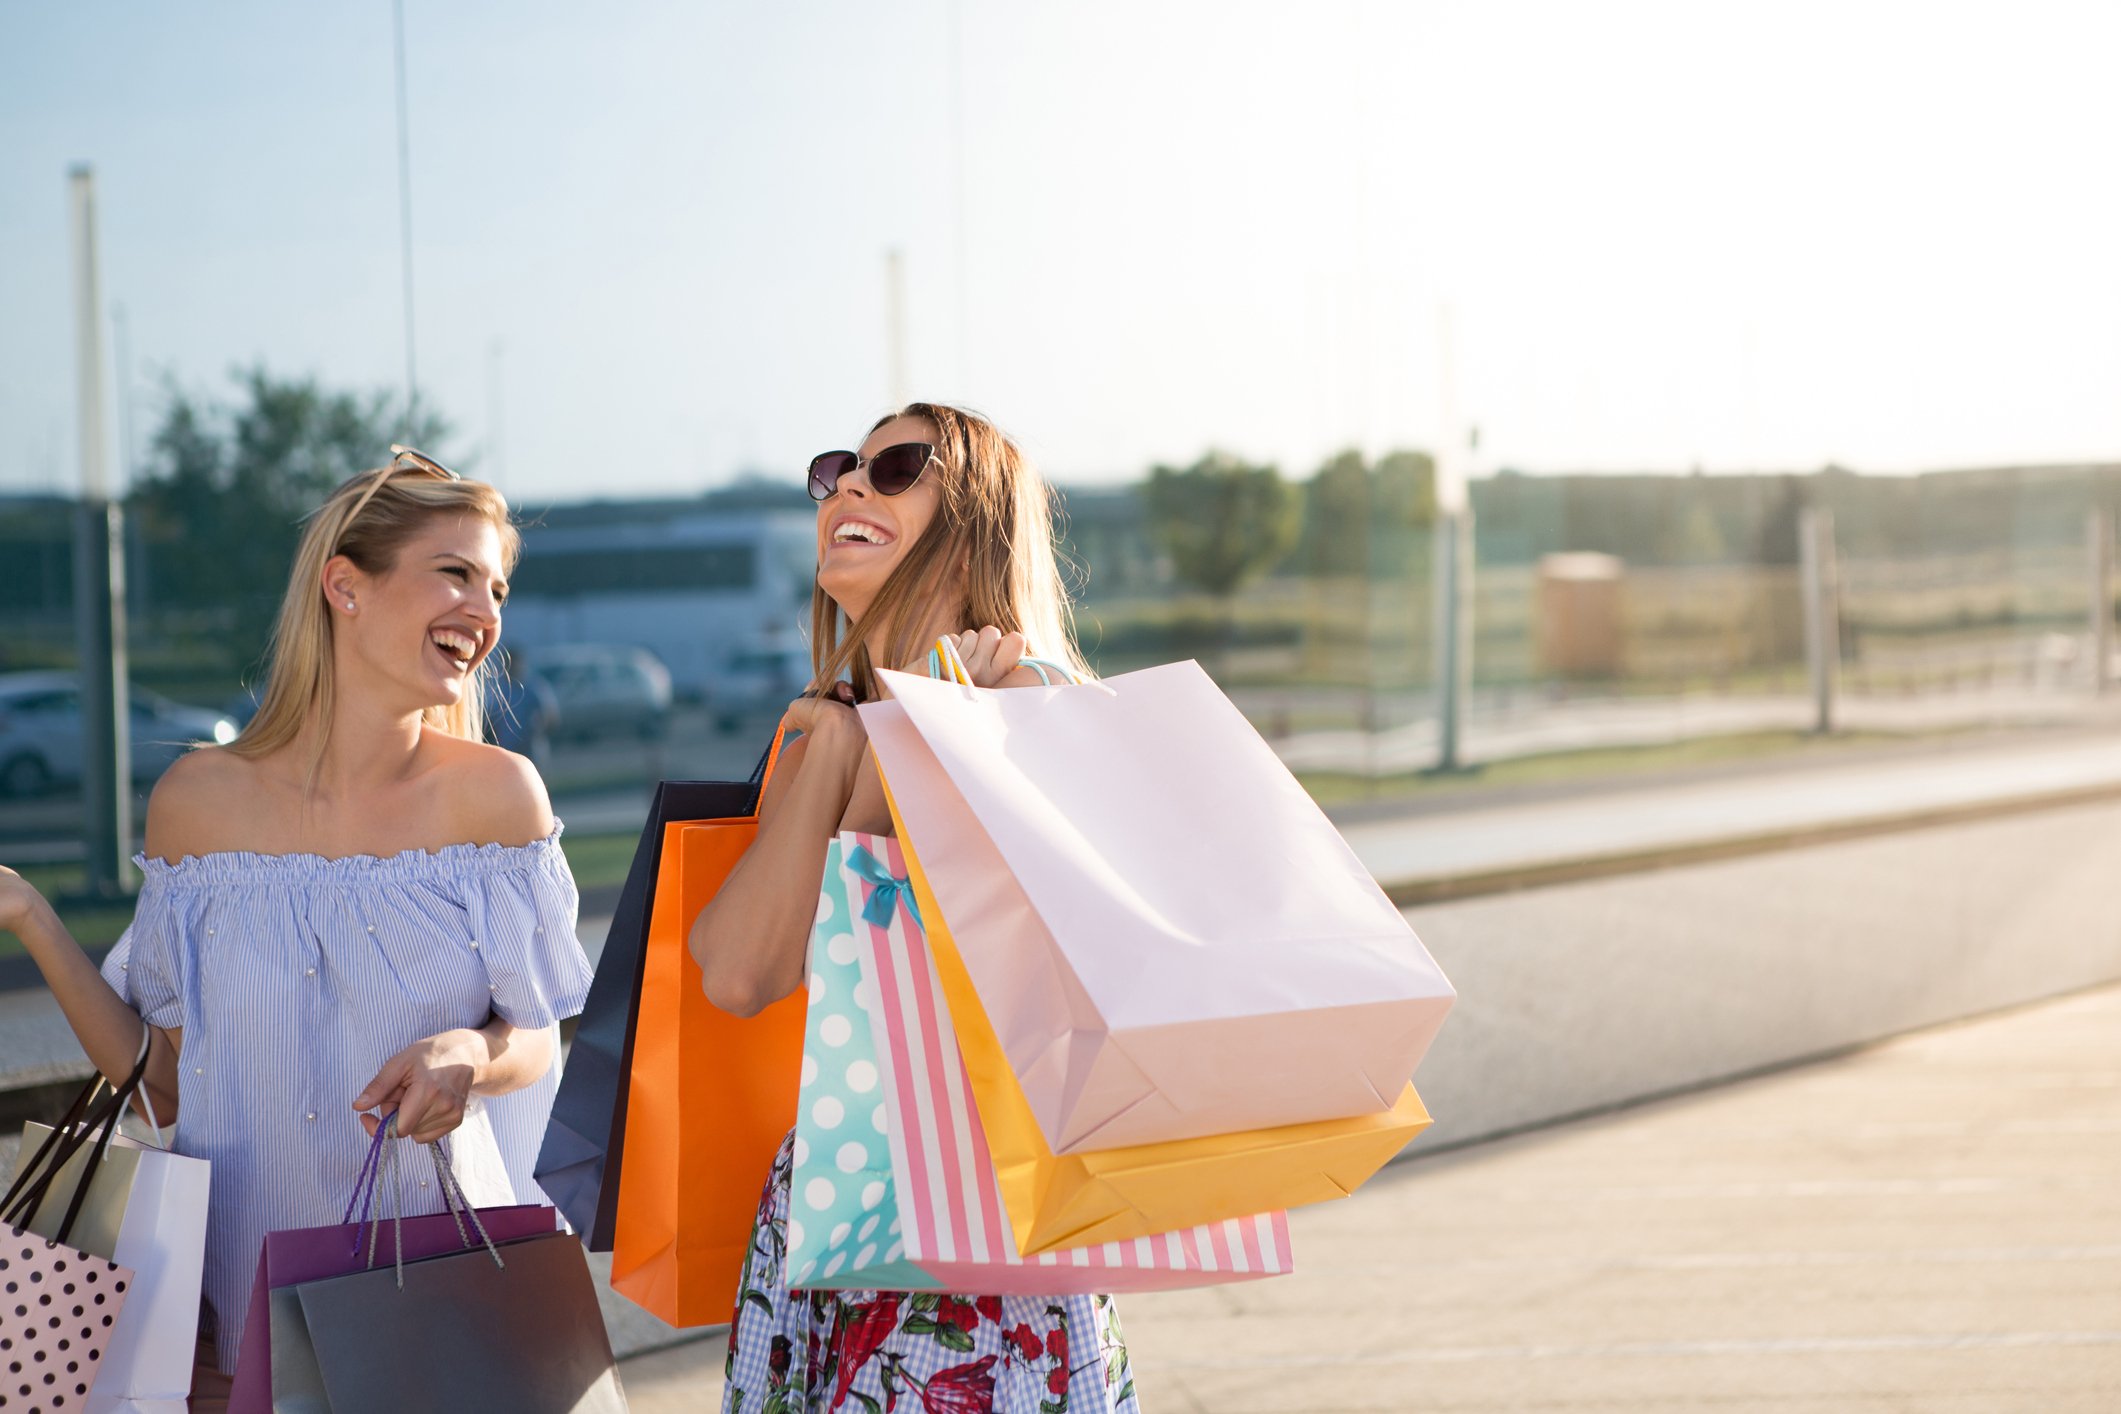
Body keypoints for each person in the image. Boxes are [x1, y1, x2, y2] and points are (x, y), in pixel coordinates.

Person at [0, 448, 592, 1407]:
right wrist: (28, 913)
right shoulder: (196, 802)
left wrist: (465, 1056)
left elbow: (534, 1039)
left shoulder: (496, 797)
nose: (484, 613)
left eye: (497, 588)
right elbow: (160, 1078)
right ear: (344, 587)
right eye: (456, 572)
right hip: (236, 1300)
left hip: (433, 1290)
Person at [690, 403, 1140, 1412]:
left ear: (977, 517)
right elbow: (738, 973)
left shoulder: (1029, 693)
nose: (849, 486)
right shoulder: (832, 725)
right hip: (834, 1216)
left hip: (974, 1221)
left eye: (896, 466)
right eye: (839, 470)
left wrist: (936, 736)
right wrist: (837, 758)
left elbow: (1060, 966)